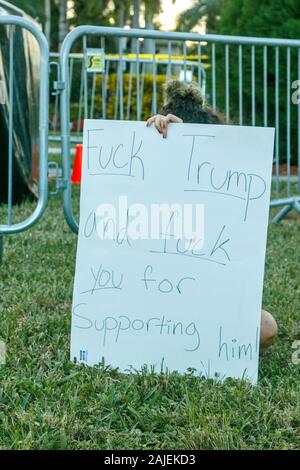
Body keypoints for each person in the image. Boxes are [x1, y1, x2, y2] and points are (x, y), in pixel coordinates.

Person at [146, 79, 278, 353]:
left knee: (266, 327)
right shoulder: (155, 177)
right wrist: (158, 137)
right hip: (160, 297)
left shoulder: (227, 188)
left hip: (208, 298)